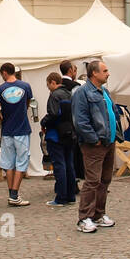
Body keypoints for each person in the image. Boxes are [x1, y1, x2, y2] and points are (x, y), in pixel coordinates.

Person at [73, 60, 117, 234]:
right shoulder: (82, 93)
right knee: (92, 181)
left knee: (105, 180)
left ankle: (99, 214)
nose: (108, 73)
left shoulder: (104, 91)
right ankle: (84, 218)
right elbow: (80, 120)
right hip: (95, 145)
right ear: (94, 73)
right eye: (105, 70)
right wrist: (94, 139)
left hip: (109, 142)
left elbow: (110, 113)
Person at [0, 63, 33, 207]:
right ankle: (14, 195)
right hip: (22, 128)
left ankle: (11, 193)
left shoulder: (0, 89)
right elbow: (28, 103)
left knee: (8, 163)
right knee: (21, 161)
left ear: (4, 73)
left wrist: (2, 118)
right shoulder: (25, 86)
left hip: (7, 130)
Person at [43, 72, 78, 206]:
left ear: (53, 82)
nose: (48, 88)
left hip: (56, 134)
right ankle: (70, 195)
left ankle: (61, 197)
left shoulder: (55, 95)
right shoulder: (70, 94)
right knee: (69, 164)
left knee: (59, 165)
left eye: (48, 85)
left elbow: (53, 114)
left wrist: (43, 122)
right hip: (70, 134)